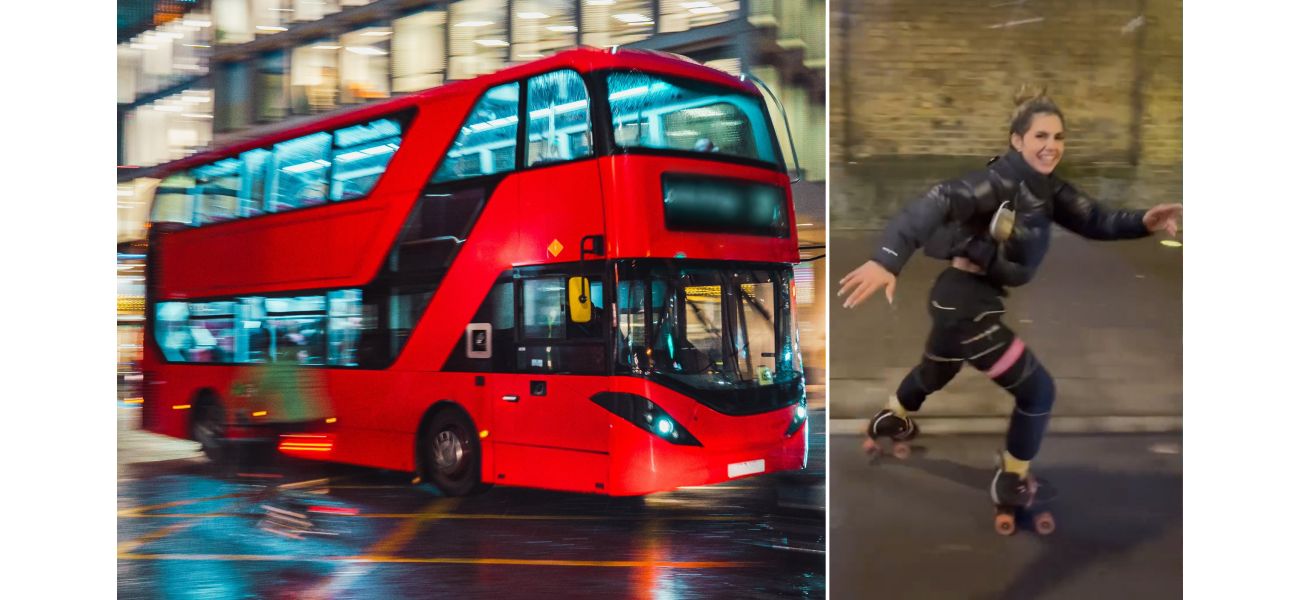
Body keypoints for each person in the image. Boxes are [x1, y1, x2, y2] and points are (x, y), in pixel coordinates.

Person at [836, 86, 1181, 508]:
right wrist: (887, 259)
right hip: (970, 312)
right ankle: (1012, 479)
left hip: (954, 302)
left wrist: (1144, 222)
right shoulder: (999, 180)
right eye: (1040, 136)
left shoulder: (1049, 190)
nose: (1051, 146)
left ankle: (893, 416)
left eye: (1058, 137)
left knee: (936, 372)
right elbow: (939, 200)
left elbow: (1096, 219)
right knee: (1038, 392)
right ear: (1017, 140)